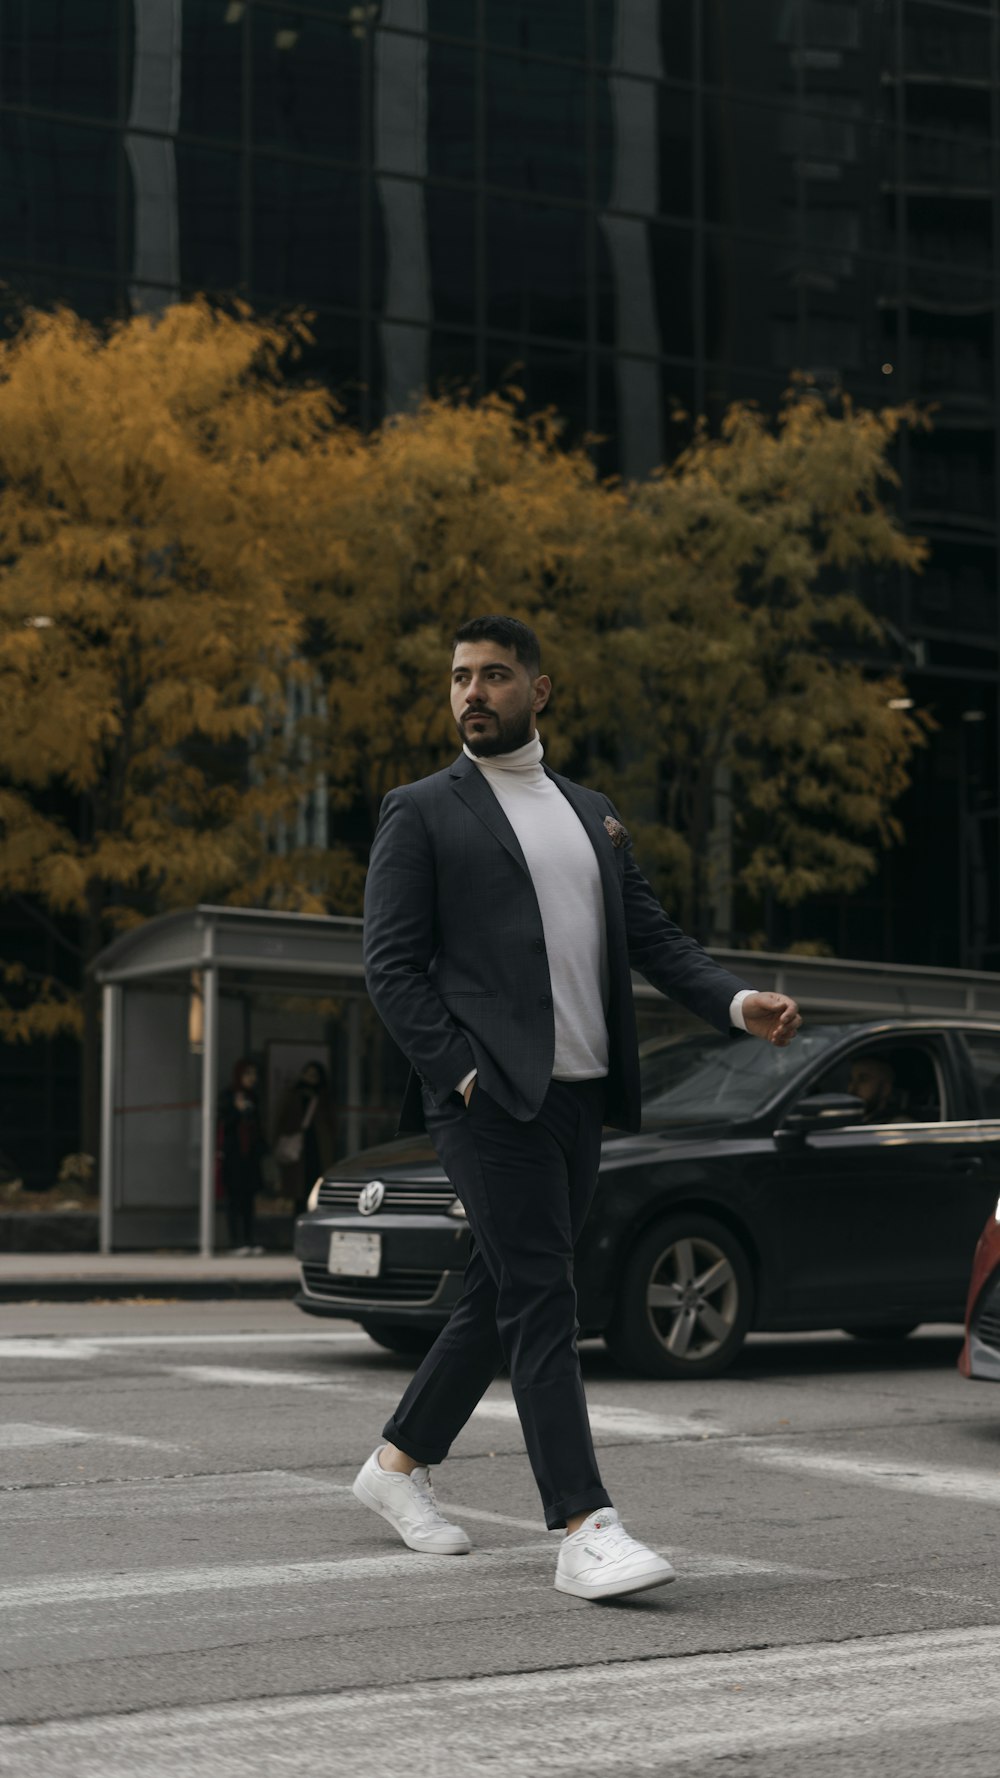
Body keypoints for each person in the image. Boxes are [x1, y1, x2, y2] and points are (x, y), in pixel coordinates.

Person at [354, 615, 802, 1602]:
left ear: (538, 690)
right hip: (491, 1100)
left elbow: (654, 938)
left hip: (580, 1096)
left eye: (495, 675)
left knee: (503, 1290)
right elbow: (388, 965)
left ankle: (393, 1465)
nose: (473, 691)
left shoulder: (591, 813)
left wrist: (735, 1001)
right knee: (544, 1300)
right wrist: (461, 1073)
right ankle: (583, 1523)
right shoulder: (421, 810)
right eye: (461, 676)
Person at [217, 1059, 267, 1256]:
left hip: (250, 1157)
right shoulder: (228, 1096)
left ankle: (249, 1239)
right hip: (233, 1156)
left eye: (254, 1074)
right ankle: (235, 1241)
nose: (252, 1079)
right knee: (234, 1199)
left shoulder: (254, 1097)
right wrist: (236, 1110)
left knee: (249, 1200)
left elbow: (257, 1127)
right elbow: (223, 1124)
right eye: (248, 1074)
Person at [275, 1060, 336, 1215]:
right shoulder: (293, 1095)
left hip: (317, 1146)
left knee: (315, 1182)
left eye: (314, 1075)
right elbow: (282, 1120)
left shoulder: (323, 1097)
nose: (310, 1078)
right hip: (298, 1146)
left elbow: (331, 1123)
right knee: (298, 1188)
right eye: (308, 1074)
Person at [847, 1054, 902, 1124]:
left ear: (885, 1089)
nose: (852, 1088)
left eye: (863, 1080)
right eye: (851, 1080)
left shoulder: (898, 1126)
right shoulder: (848, 1121)